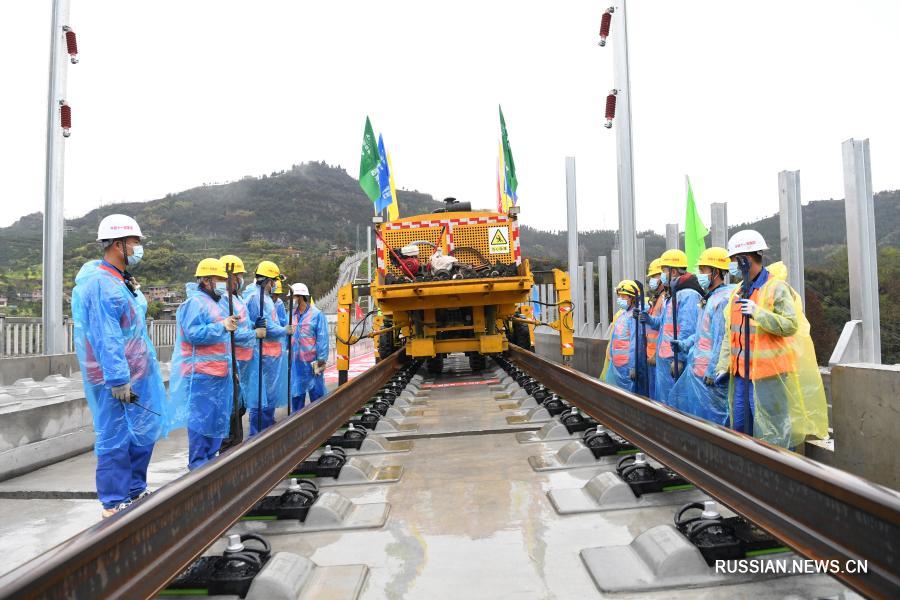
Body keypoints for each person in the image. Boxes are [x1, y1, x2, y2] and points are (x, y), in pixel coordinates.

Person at [71, 214, 168, 518]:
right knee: (116, 436)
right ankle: (113, 503)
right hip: (115, 377)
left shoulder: (120, 280)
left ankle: (134, 491)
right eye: (134, 242)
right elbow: (106, 336)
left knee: (142, 431)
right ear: (118, 244)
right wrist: (117, 378)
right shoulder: (101, 284)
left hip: (137, 371)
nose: (139, 248)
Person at [714, 230, 828, 448]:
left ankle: (779, 477)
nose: (732, 266)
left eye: (735, 260)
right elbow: (732, 333)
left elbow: (790, 325)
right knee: (739, 429)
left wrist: (758, 313)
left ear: (745, 259)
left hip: (769, 377)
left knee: (773, 434)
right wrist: (723, 365)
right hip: (741, 376)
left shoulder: (777, 288)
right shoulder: (739, 291)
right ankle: (746, 475)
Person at [168, 259, 239, 470]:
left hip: (217, 374)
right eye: (218, 279)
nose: (221, 284)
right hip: (201, 374)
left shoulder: (215, 303)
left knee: (215, 422)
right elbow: (193, 334)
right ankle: (198, 468)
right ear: (206, 280)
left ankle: (210, 465)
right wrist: (222, 326)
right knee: (201, 423)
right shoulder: (195, 303)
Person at [669, 248, 735, 424]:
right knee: (700, 422)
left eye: (703, 270)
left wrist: (713, 370)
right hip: (699, 370)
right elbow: (701, 334)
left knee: (715, 422)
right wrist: (684, 344)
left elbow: (721, 340)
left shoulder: (723, 300)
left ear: (716, 272)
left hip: (710, 377)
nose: (699, 274)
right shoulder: (710, 298)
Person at [639, 249, 703, 405]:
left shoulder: (687, 294)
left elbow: (688, 329)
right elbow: (664, 324)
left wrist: (680, 359)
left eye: (663, 271)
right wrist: (650, 320)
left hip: (673, 360)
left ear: (673, 271)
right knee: (665, 403)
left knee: (676, 405)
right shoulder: (673, 294)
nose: (661, 275)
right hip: (666, 359)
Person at [243, 261, 287, 434]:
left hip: (271, 355)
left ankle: (266, 433)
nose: (275, 284)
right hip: (263, 355)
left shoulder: (266, 298)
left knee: (269, 398)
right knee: (261, 399)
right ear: (268, 280)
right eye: (274, 281)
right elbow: (267, 327)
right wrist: (284, 330)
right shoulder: (256, 297)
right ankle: (257, 436)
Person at [289, 282, 330, 410]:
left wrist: (322, 357)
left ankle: (319, 420)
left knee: (317, 394)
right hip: (296, 363)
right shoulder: (290, 315)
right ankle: (296, 422)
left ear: (301, 297)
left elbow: (322, 337)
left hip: (313, 362)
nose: (291, 300)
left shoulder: (316, 314)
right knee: (296, 394)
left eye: (293, 297)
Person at [600, 280, 640, 392]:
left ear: (632, 298)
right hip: (617, 365)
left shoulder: (634, 316)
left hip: (627, 367)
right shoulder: (623, 315)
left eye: (623, 296)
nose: (620, 299)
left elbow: (635, 343)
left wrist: (633, 366)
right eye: (619, 296)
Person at [644, 258, 666, 399]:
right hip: (651, 355)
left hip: (657, 357)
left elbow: (665, 330)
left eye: (654, 276)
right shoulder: (657, 299)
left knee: (659, 398)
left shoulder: (664, 299)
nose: (651, 280)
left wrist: (655, 355)